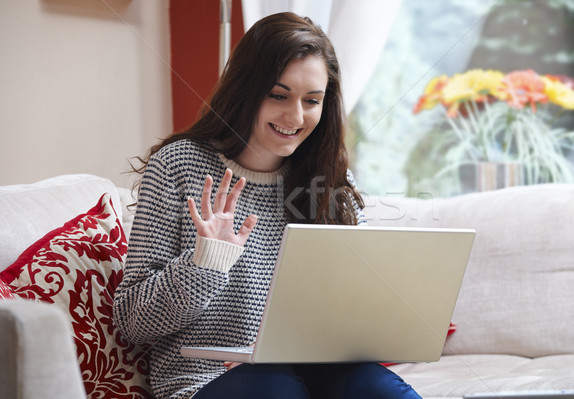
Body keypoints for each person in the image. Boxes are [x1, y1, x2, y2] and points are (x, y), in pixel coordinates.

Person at [113, 12, 422, 399]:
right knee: (274, 389)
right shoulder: (178, 167)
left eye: (312, 101)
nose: (295, 117)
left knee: (377, 389)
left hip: (314, 372)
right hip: (205, 380)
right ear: (246, 89)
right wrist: (206, 263)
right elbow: (131, 321)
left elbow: (343, 311)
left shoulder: (330, 180)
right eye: (278, 95)